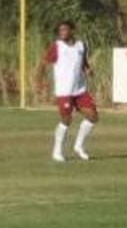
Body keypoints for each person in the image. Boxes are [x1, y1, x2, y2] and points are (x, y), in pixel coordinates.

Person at [40, 20, 98, 162]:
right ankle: (57, 151)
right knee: (66, 119)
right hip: (64, 91)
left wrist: (88, 69)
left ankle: (78, 146)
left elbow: (83, 62)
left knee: (93, 117)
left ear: (72, 30)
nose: (62, 32)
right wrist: (40, 81)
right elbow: (43, 63)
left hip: (79, 89)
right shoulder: (57, 46)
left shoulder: (81, 45)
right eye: (60, 30)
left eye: (65, 29)